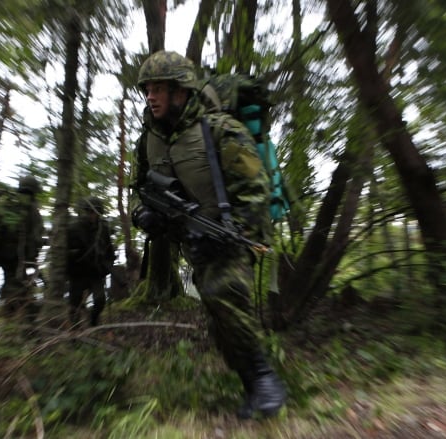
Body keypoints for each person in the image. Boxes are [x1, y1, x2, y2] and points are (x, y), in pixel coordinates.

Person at [130, 50, 286, 419]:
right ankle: (252, 387)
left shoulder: (219, 130)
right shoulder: (148, 140)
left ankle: (265, 380)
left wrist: (234, 234)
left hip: (230, 236)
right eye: (147, 89)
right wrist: (145, 216)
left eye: (159, 89)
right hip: (190, 240)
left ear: (181, 91)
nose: (151, 96)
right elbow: (138, 187)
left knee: (224, 294)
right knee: (219, 316)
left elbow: (255, 191)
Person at [0, 174, 45, 318]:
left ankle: (11, 312)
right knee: (18, 285)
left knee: (12, 281)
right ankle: (19, 318)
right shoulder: (31, 209)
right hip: (20, 257)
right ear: (34, 191)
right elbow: (36, 237)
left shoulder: (9, 205)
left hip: (7, 255)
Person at [67, 196, 115, 326]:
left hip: (96, 272)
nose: (92, 215)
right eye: (90, 212)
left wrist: (108, 266)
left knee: (100, 301)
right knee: (74, 304)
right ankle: (74, 331)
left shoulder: (103, 228)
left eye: (95, 212)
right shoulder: (74, 228)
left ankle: (93, 322)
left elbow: (109, 249)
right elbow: (64, 251)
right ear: (86, 211)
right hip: (78, 273)